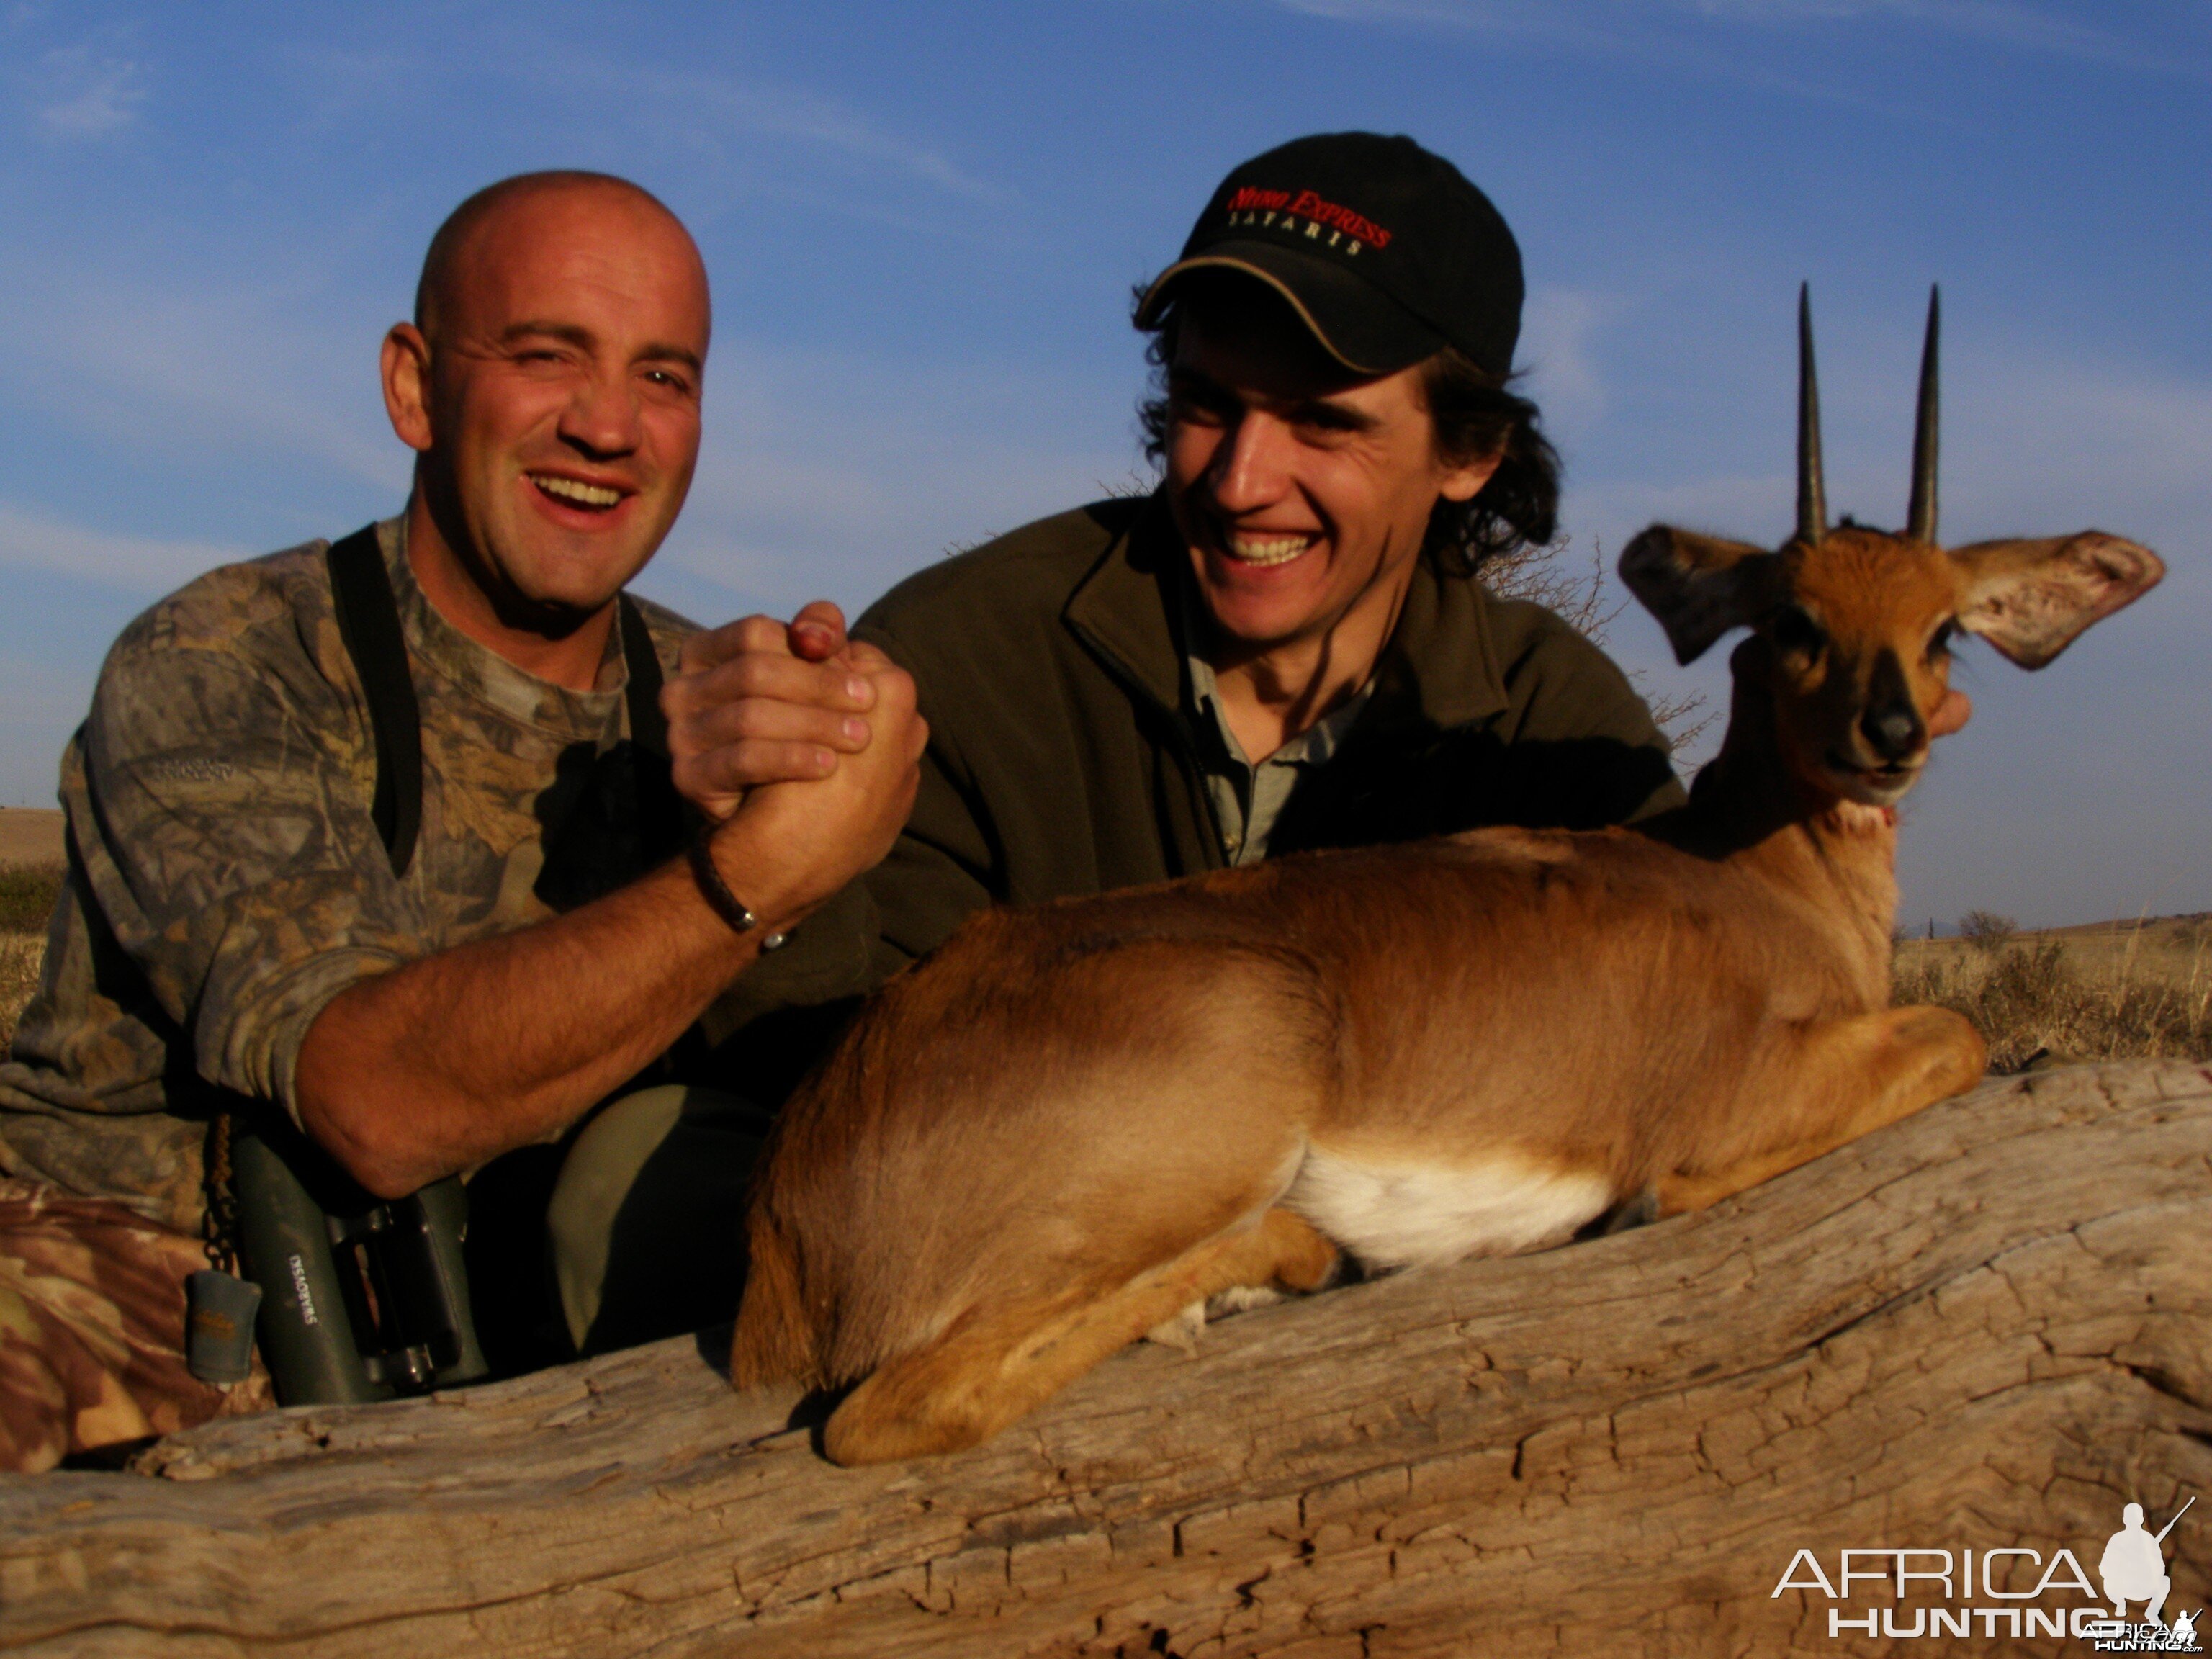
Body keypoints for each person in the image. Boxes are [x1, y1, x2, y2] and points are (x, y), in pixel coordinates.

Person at [0, 171, 923, 1471]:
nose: (609, 426)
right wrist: (753, 878)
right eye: (548, 356)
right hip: (157, 1299)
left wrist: (818, 805)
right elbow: (373, 1104)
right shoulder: (225, 658)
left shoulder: (714, 705)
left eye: (665, 377)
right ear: (414, 387)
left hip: (513, 1317)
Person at [676, 132, 1689, 1092]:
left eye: (1323, 423)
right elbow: (822, 1085)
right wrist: (773, 873)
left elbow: (1690, 1030)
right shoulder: (968, 659)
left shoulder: (1555, 732)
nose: (1241, 482)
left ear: (1468, 457)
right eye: (1209, 403)